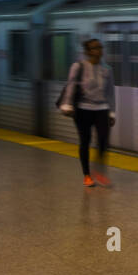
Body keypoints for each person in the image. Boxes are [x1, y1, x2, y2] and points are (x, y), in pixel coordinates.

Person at [59, 38, 116, 187]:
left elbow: (110, 92)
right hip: (83, 109)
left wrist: (112, 112)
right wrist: (67, 104)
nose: (99, 50)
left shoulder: (107, 69)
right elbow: (71, 86)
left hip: (102, 109)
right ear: (88, 51)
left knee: (104, 142)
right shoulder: (78, 67)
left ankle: (99, 171)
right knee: (85, 141)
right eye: (95, 48)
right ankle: (87, 175)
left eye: (100, 47)